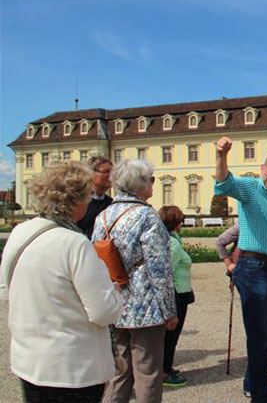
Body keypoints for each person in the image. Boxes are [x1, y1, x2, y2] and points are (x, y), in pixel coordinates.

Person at [0, 161, 122, 403]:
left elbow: (6, 291)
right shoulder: (74, 243)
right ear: (75, 202)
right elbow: (103, 312)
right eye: (86, 197)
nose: (88, 204)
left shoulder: (20, 232)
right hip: (72, 368)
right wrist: (114, 292)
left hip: (30, 361)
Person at [214, 136, 267, 403]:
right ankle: (261, 395)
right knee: (259, 334)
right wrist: (221, 155)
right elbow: (224, 182)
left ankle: (256, 383)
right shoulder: (250, 187)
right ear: (263, 169)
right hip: (252, 268)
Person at [94, 159, 178, 403]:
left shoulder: (103, 216)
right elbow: (159, 269)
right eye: (151, 179)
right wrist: (169, 310)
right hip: (146, 307)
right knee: (148, 372)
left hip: (114, 303)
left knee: (119, 372)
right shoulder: (147, 216)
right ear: (139, 184)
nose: (153, 184)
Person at [158, 205, 194, 387]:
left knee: (171, 335)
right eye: (181, 220)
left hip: (180, 291)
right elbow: (167, 271)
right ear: (175, 223)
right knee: (171, 335)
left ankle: (167, 367)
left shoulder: (172, 238)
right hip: (176, 292)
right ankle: (164, 371)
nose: (182, 223)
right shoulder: (172, 243)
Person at [77, 156, 113, 238]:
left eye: (112, 172)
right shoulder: (80, 201)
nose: (111, 176)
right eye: (106, 171)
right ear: (91, 174)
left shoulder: (110, 203)